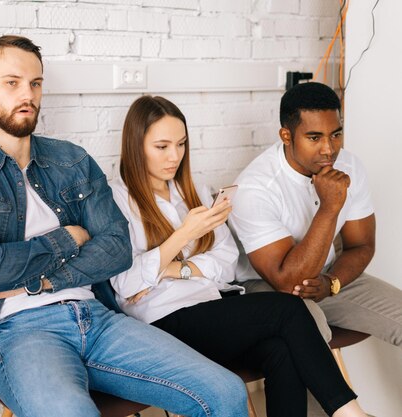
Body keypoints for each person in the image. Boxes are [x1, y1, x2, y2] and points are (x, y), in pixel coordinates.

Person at [0, 35, 249, 417]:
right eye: (12, 83)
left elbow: (116, 249)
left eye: (35, 83)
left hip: (97, 317)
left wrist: (41, 281)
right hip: (16, 331)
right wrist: (70, 238)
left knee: (226, 392)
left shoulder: (72, 160)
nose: (27, 95)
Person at [109, 95, 367, 417]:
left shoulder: (195, 190)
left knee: (280, 350)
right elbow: (126, 282)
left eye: (181, 144)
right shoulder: (116, 200)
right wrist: (185, 235)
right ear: (136, 146)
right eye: (162, 147)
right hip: (164, 320)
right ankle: (349, 412)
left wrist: (174, 270)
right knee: (287, 309)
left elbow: (227, 261)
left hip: (212, 307)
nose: (174, 156)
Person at [228, 82, 402, 346]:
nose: (329, 149)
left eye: (336, 134)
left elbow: (361, 245)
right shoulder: (254, 189)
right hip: (265, 286)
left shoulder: (350, 166)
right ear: (286, 136)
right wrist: (330, 208)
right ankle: (332, 390)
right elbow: (288, 283)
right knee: (311, 331)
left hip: (327, 276)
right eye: (314, 137)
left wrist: (332, 282)